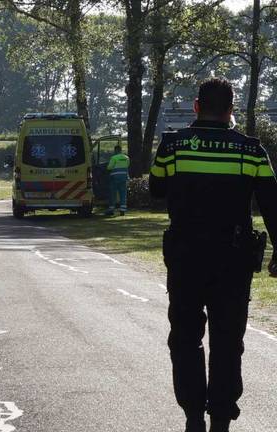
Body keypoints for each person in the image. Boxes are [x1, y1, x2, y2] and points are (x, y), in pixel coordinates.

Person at [149, 78, 277, 432]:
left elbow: (156, 189)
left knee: (186, 336)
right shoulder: (251, 151)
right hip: (233, 260)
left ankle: (192, 415)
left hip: (185, 257)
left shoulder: (173, 146)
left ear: (196, 106)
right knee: (227, 340)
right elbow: (272, 205)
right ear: (231, 109)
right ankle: (220, 416)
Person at [106, 145, 130, 216]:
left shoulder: (114, 158)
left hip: (115, 178)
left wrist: (107, 167)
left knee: (113, 194)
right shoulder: (126, 158)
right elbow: (127, 166)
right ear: (121, 150)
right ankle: (122, 210)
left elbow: (109, 167)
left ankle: (111, 209)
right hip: (124, 178)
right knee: (123, 194)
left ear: (116, 150)